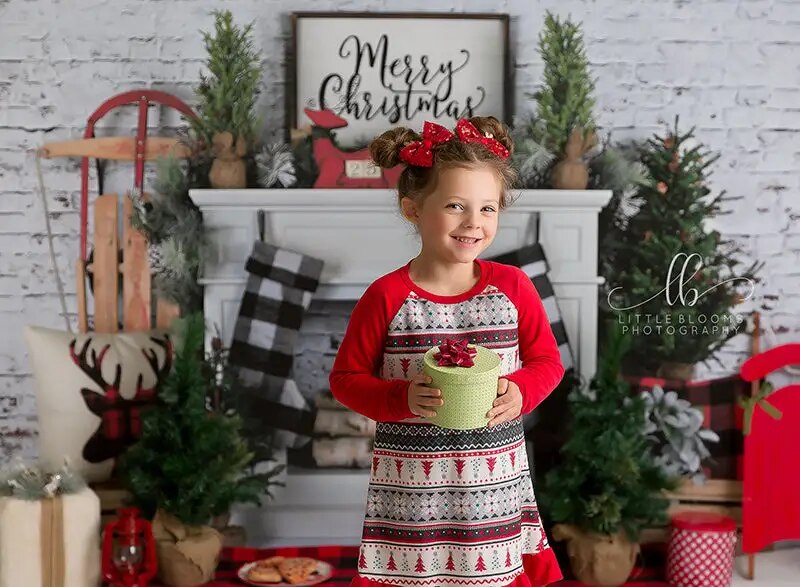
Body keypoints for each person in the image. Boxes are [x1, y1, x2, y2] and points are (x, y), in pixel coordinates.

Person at [329, 116, 566, 587]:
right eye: (456, 206)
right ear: (413, 209)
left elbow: (548, 363)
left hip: (493, 486)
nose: (473, 223)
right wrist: (400, 399)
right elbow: (346, 379)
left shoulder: (514, 288)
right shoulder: (386, 296)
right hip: (413, 494)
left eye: (488, 209)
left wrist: (520, 391)